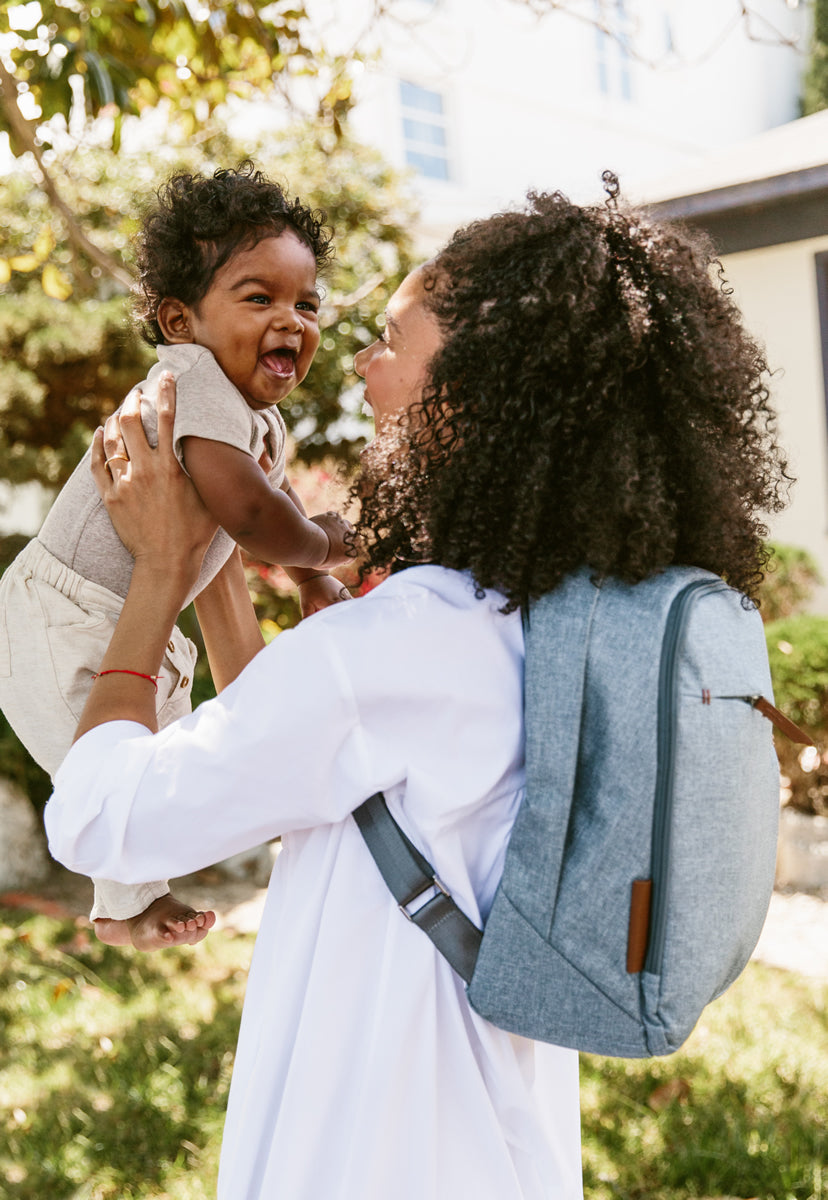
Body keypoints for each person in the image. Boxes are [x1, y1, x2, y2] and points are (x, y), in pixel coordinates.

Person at [44, 181, 788, 1199]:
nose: (355, 362)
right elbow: (292, 756)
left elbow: (100, 819)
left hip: (365, 1149)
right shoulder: (541, 616)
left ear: (475, 390)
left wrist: (159, 579)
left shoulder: (404, 641)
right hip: (494, 1145)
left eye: (391, 342)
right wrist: (215, 557)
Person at [0, 162, 353, 950]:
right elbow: (256, 514)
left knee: (156, 762)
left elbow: (273, 498)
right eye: (258, 298)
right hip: (59, 615)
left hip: (114, 617)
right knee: (120, 782)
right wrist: (328, 543)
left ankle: (125, 902)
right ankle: (124, 903)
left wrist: (312, 576)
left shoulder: (252, 417)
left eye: (306, 303)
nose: (291, 320)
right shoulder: (189, 384)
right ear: (180, 322)